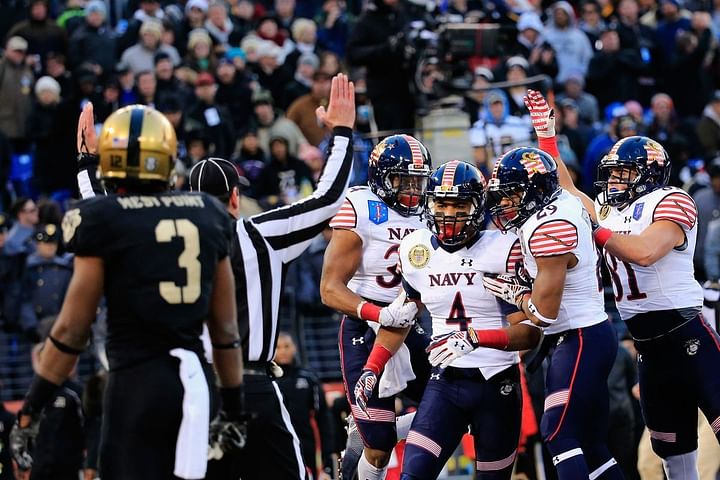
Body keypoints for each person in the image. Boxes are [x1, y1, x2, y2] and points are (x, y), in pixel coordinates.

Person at [10, 104, 245, 480]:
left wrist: (30, 408)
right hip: (196, 386)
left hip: (134, 384)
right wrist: (234, 407)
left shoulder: (103, 217)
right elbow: (226, 332)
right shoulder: (207, 213)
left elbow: (72, 328)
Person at [525, 88, 720, 479]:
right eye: (611, 172)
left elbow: (646, 252)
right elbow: (569, 193)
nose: (614, 180)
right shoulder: (609, 210)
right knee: (673, 452)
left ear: (649, 173)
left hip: (686, 334)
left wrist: (596, 229)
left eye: (623, 173)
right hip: (647, 346)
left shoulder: (671, 199)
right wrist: (547, 138)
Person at [191, 73, 356, 480]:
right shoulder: (257, 234)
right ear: (235, 197)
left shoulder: (165, 248)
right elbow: (329, 199)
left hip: (200, 391)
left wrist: (87, 170)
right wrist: (342, 134)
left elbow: (110, 227)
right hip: (254, 385)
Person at [392, 160, 541, 479]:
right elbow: (404, 314)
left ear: (478, 205)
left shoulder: (504, 249)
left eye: (459, 203)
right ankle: (389, 429)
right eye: (441, 203)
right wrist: (374, 364)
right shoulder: (416, 250)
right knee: (413, 474)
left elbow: (531, 332)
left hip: (496, 380)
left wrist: (476, 338)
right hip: (445, 380)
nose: (448, 213)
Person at [482, 143, 622, 478]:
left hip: (579, 338)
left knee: (558, 432)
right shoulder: (563, 201)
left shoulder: (550, 226)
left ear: (534, 191)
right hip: (587, 335)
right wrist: (546, 137)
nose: (503, 204)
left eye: (511, 195)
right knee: (591, 445)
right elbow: (563, 180)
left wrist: (516, 294)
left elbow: (543, 315)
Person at [320, 134, 433, 480]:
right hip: (365, 326)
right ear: (381, 176)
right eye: (404, 179)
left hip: (412, 321)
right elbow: (329, 289)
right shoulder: (362, 206)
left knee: (456, 407)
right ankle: (371, 433)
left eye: (419, 180)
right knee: (379, 447)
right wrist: (378, 313)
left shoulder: (431, 211)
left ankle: (378, 427)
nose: (413, 189)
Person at [274, 332, 334, 480]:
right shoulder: (268, 381)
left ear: (294, 348)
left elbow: (324, 419)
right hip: (277, 443)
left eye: (287, 346)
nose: (283, 351)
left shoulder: (308, 378)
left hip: (305, 444)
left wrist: (327, 461)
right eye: (279, 347)